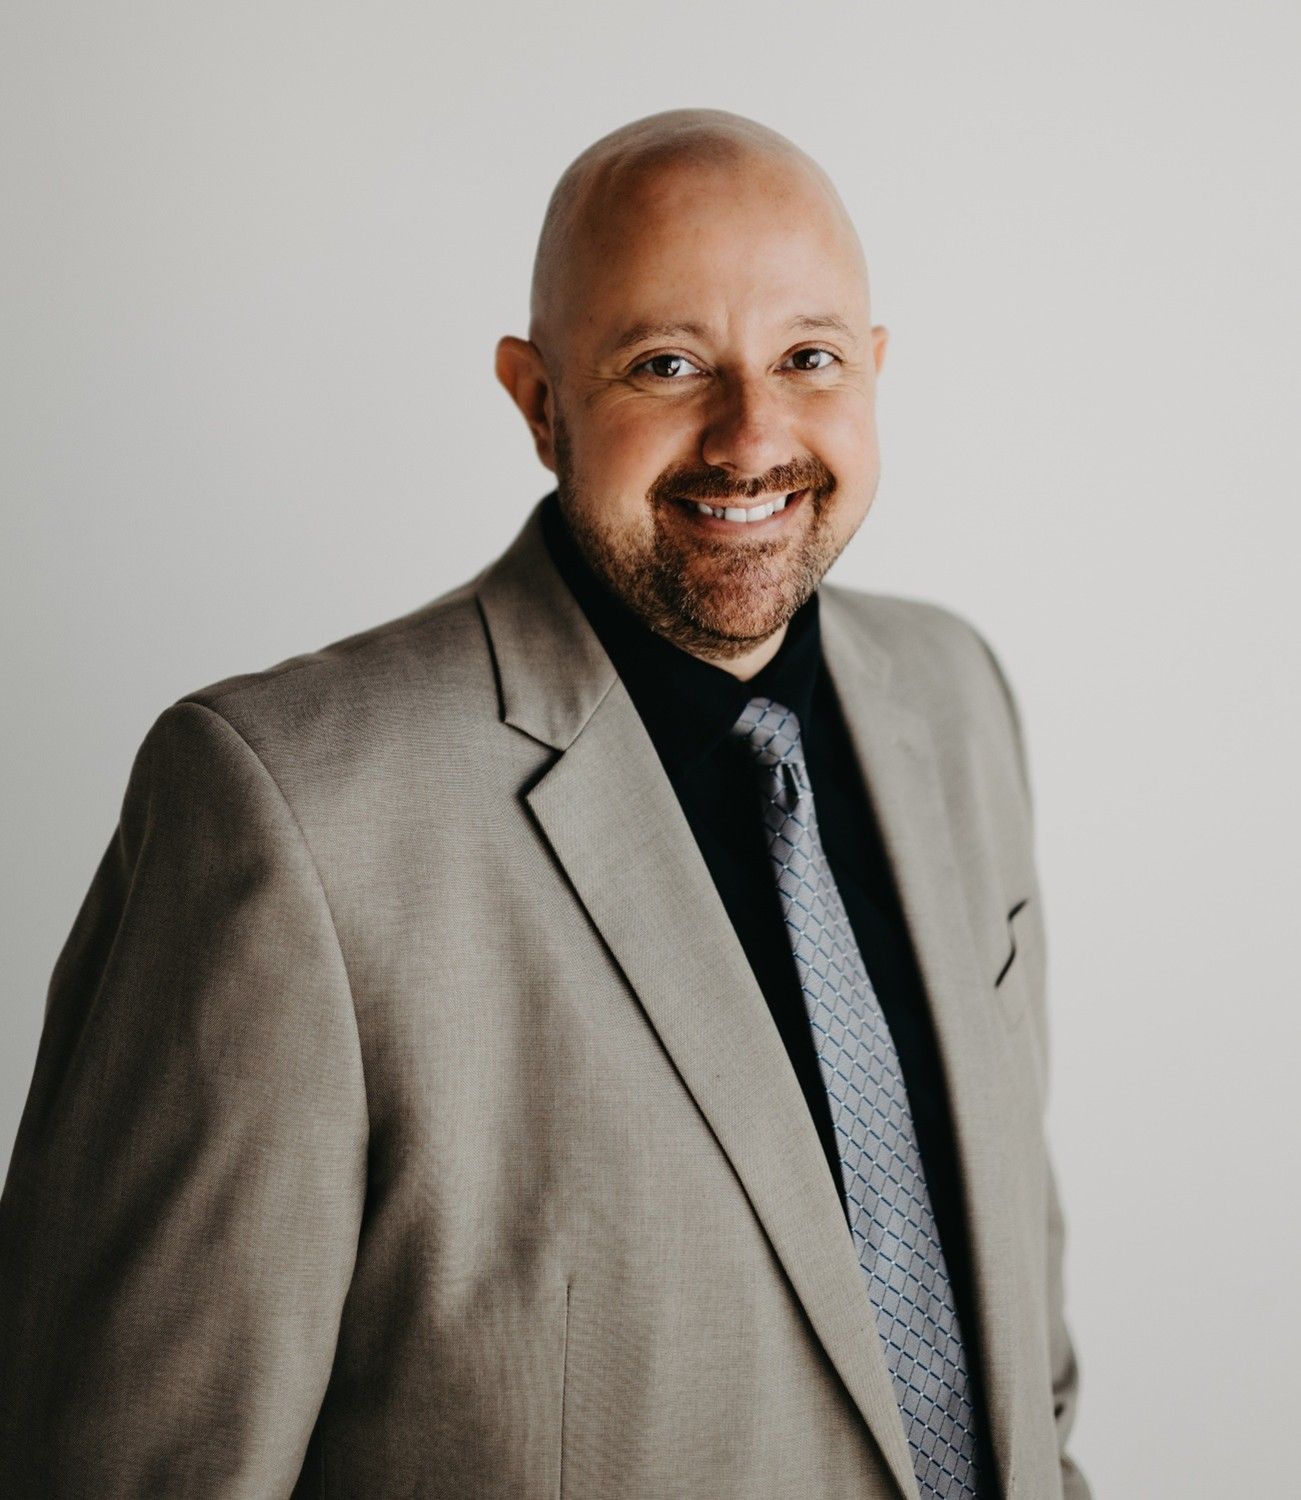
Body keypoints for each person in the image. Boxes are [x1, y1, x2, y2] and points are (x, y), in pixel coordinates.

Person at [0, 108, 1089, 1499]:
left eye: (807, 359)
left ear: (872, 371)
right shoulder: (286, 809)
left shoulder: (957, 699)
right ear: (537, 400)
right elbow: (135, 1464)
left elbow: (1010, 1331)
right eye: (667, 363)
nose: (750, 437)